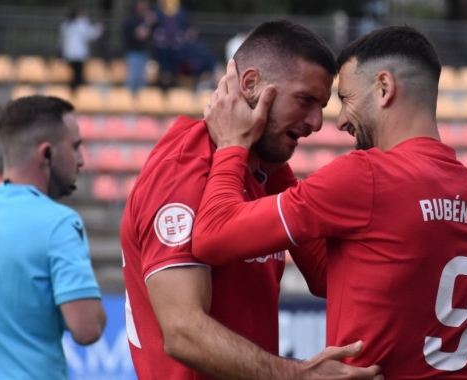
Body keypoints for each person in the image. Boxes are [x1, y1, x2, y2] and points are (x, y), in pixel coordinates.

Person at [193, 25, 467, 379]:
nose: (340, 121)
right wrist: (276, 160)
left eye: (347, 99)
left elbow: (212, 234)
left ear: (384, 88)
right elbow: (333, 276)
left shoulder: (369, 176)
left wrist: (234, 143)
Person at [121, 20, 382, 380]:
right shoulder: (182, 167)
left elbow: (326, 276)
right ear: (250, 84)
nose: (317, 122)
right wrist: (299, 375)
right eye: (306, 100)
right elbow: (182, 333)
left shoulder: (258, 171)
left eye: (321, 105)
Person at [0, 95, 106, 379]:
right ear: (46, 153)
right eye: (75, 147)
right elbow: (87, 328)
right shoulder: (58, 224)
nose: (81, 160)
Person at [60, 8, 103, 90]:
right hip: (78, 54)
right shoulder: (81, 23)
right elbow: (90, 34)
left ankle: (74, 91)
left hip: (69, 54)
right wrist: (98, 29)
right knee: (78, 75)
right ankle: (76, 91)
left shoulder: (67, 24)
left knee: (73, 74)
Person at [123, 1, 156, 93]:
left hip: (144, 53)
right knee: (132, 79)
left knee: (142, 80)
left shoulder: (146, 19)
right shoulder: (131, 20)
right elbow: (140, 34)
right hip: (133, 53)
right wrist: (147, 23)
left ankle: (141, 104)